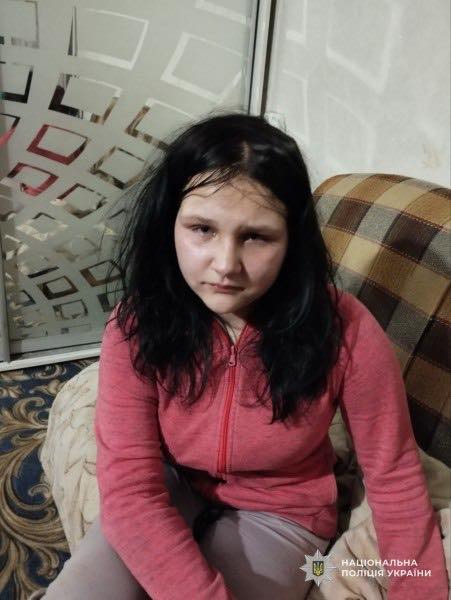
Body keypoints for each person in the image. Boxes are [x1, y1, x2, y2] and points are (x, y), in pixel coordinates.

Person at [29, 112, 448, 600]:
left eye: (256, 236)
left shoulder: (346, 331)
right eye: (202, 229)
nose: (226, 265)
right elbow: (130, 489)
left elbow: (394, 474)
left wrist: (420, 589)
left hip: (286, 517)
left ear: (291, 240)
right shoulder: (137, 324)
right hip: (169, 484)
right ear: (169, 224)